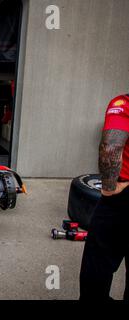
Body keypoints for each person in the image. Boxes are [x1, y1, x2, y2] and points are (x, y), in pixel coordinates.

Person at [80, 93, 129, 300]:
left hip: (122, 200)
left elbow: (111, 147)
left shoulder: (124, 104)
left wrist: (109, 187)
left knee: (97, 267)